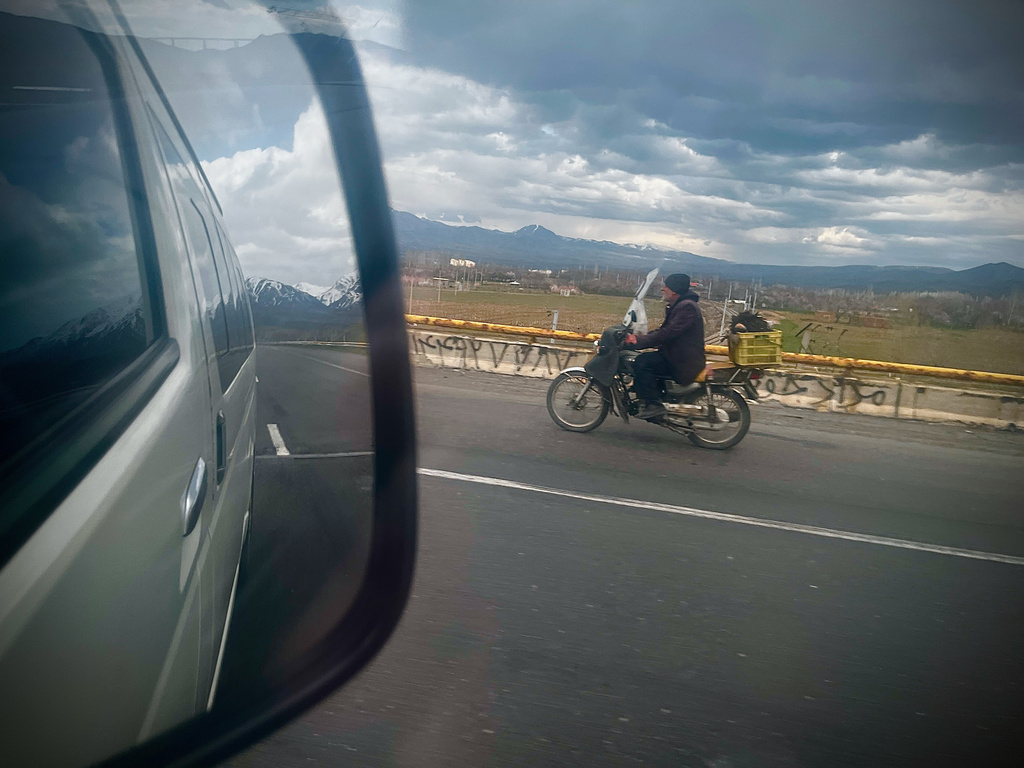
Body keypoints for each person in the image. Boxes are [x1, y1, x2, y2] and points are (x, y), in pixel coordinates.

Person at [624, 273, 706, 419]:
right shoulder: (680, 305)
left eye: (666, 286)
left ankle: (653, 405)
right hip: (677, 355)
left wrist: (639, 341)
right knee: (645, 360)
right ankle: (645, 394)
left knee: (643, 362)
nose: (663, 289)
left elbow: (668, 333)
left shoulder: (687, 307)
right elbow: (664, 331)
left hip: (682, 361)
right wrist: (642, 337)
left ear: (674, 290)